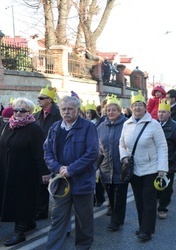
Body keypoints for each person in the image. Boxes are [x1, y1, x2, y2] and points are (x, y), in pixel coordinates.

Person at [44, 95, 99, 249]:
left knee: (84, 220)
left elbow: (92, 153)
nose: (67, 112)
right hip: (61, 182)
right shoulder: (55, 128)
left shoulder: (89, 127)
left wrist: (71, 169)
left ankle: (83, 247)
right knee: (57, 219)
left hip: (82, 182)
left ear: (77, 110)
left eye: (70, 109)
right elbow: (47, 152)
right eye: (64, 109)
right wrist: (58, 168)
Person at [119, 90, 168, 241]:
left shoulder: (154, 125)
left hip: (151, 168)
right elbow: (121, 144)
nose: (138, 108)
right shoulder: (126, 124)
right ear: (131, 107)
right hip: (134, 168)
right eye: (135, 105)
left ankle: (147, 231)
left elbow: (162, 146)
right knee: (139, 200)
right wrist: (124, 157)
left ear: (145, 107)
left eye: (140, 105)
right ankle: (142, 226)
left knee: (149, 200)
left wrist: (162, 168)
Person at [0, 98, 47, 247]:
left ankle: (19, 232)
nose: (18, 113)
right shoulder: (8, 126)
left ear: (30, 112)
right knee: (11, 198)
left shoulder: (34, 128)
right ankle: (30, 222)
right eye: (16, 110)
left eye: (22, 111)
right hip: (7, 169)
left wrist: (44, 172)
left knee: (22, 201)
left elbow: (40, 152)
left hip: (26, 172)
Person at [97, 95, 128, 231]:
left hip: (121, 167)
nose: (110, 112)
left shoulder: (127, 124)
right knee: (110, 194)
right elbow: (98, 148)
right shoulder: (101, 127)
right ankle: (115, 215)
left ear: (120, 111)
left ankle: (116, 221)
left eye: (113, 110)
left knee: (119, 196)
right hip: (105, 167)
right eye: (108, 110)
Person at [34, 85, 62, 221]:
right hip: (40, 154)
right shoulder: (37, 115)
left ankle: (61, 216)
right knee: (41, 184)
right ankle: (42, 210)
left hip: (55, 154)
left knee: (58, 185)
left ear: (50, 100)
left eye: (41, 98)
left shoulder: (58, 114)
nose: (38, 100)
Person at [157, 99, 176, 219]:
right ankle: (156, 203)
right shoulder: (154, 125)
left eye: (163, 112)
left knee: (166, 186)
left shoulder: (175, 126)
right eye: (159, 112)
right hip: (155, 161)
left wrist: (173, 158)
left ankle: (163, 208)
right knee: (155, 185)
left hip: (169, 161)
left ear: (169, 113)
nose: (161, 114)